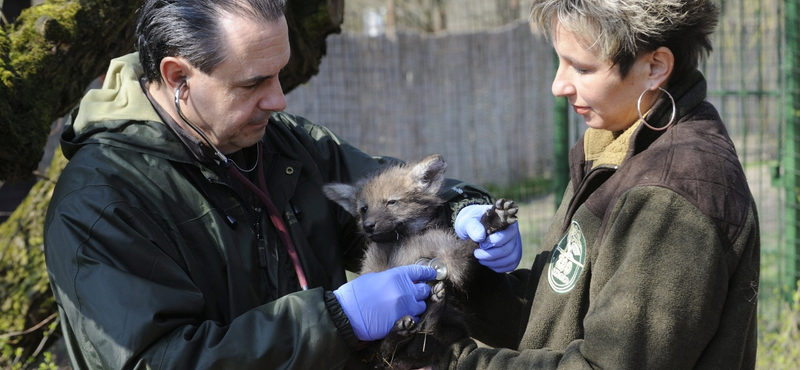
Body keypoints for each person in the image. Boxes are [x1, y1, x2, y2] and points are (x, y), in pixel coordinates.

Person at [42, 0, 522, 368]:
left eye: (280, 75)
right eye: (253, 83)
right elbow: (157, 360)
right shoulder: (101, 203)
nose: (279, 100)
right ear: (178, 78)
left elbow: (391, 191)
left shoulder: (285, 145)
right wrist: (334, 320)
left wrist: (465, 210)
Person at [435, 1, 761, 369]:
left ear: (655, 67)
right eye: (560, 60)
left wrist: (451, 364)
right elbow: (560, 315)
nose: (559, 85)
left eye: (582, 67)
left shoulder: (670, 194)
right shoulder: (614, 147)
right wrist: (457, 282)